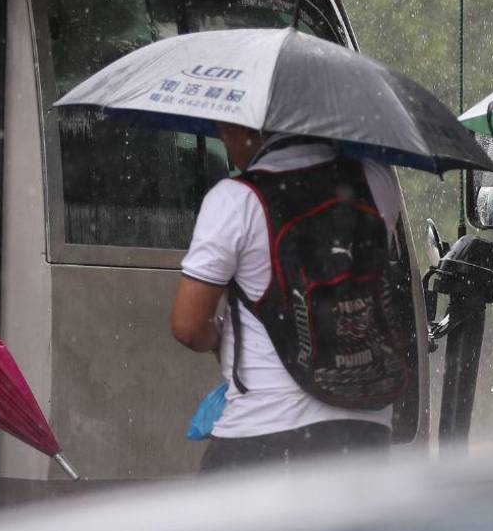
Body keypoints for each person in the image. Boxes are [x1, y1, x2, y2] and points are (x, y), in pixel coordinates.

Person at [172, 125, 405, 472]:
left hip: (266, 431)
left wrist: (218, 337)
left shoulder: (236, 199)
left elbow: (188, 326)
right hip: (365, 434)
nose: (223, 137)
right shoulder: (377, 178)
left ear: (252, 126)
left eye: (227, 128)